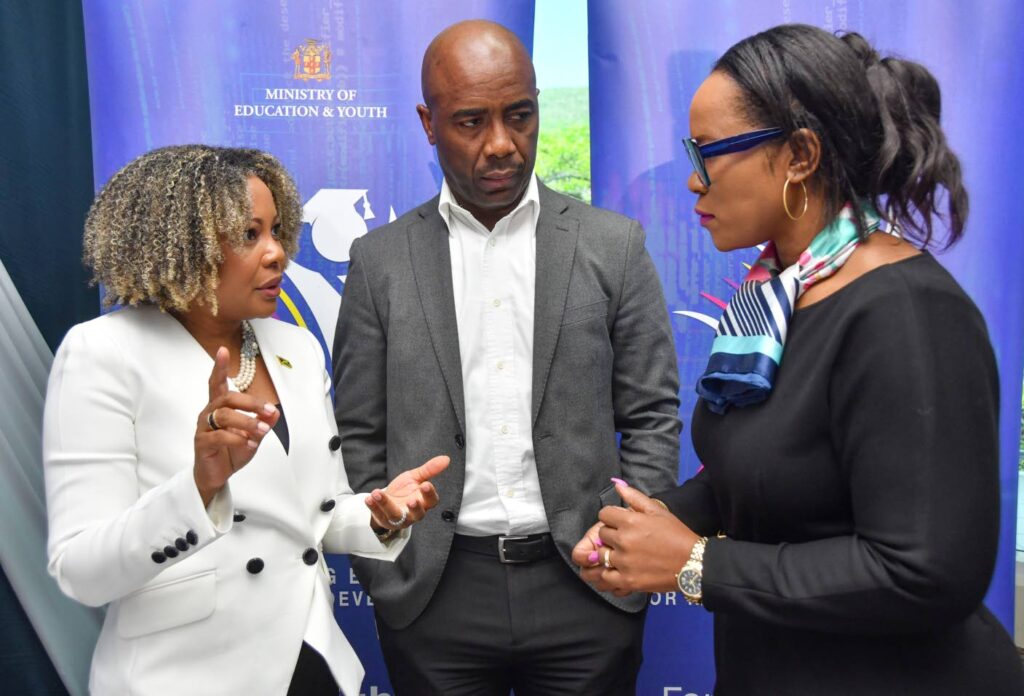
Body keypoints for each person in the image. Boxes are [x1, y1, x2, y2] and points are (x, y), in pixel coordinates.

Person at [571, 24, 1024, 695]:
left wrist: (696, 564)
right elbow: (764, 477)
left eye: (709, 153)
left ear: (800, 155)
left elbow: (925, 573)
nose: (692, 180)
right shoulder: (778, 296)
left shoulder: (908, 313)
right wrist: (645, 526)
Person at [333, 19, 681, 695]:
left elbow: (652, 414)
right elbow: (358, 430)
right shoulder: (380, 263)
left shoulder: (613, 246)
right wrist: (386, 562)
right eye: (471, 122)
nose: (501, 144)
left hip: (587, 584)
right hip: (434, 594)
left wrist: (625, 543)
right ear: (428, 124)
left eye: (519, 116)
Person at [43, 145, 450, 696]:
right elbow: (80, 570)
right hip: (186, 678)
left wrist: (380, 514)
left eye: (276, 230)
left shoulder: (297, 349)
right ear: (180, 244)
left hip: (311, 663)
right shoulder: (103, 353)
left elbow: (312, 516)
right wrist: (199, 487)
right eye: (248, 235)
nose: (277, 253)